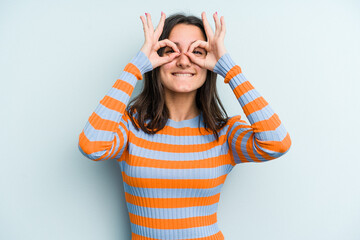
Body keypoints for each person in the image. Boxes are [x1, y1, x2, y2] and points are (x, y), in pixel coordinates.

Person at [78, 11, 292, 240]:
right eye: (171, 50)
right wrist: (136, 67)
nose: (183, 60)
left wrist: (228, 67)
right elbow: (91, 146)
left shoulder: (225, 133)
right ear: (156, 59)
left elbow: (277, 143)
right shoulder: (131, 127)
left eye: (197, 52)